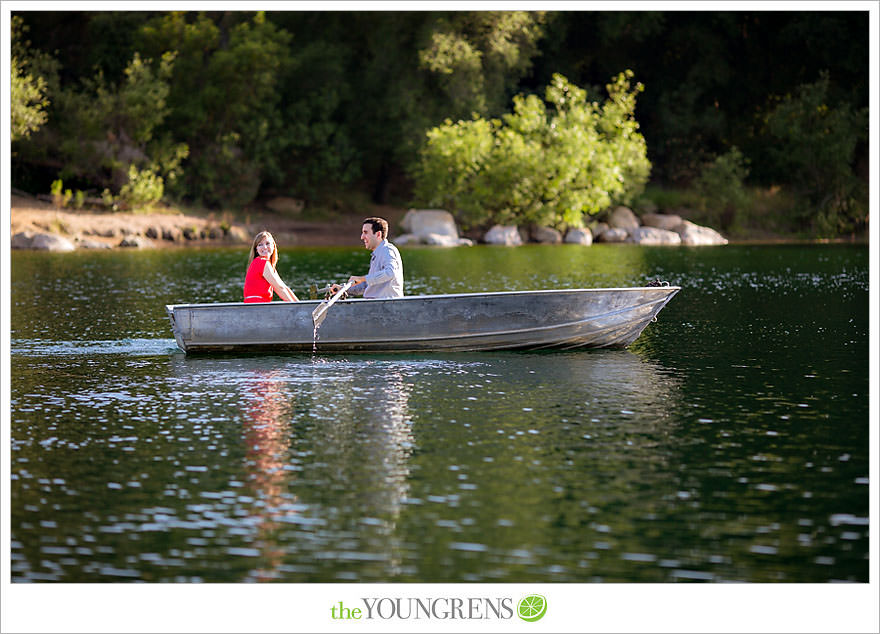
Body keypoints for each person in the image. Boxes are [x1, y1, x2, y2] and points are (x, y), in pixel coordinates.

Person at [331, 217, 404, 299]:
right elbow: (367, 284)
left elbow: (390, 273)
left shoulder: (388, 250)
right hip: (375, 306)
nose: (362, 237)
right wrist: (342, 289)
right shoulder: (377, 254)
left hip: (386, 306)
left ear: (378, 234)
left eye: (365, 233)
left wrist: (362, 278)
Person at [243, 231, 299, 303]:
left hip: (261, 305)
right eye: (260, 245)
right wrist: (295, 306)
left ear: (273, 245)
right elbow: (279, 288)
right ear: (256, 249)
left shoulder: (269, 266)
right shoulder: (261, 262)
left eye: (267, 243)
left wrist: (299, 303)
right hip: (256, 305)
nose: (265, 247)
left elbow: (284, 287)